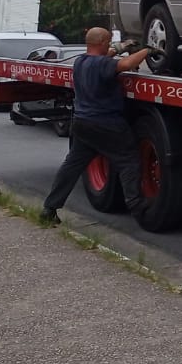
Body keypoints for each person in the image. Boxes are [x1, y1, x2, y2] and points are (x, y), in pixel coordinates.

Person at [39, 28, 154, 226]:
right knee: (128, 162)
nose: (110, 45)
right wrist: (148, 51)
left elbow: (105, 58)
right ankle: (140, 211)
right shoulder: (102, 65)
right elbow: (127, 64)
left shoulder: (80, 62)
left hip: (82, 124)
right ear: (101, 42)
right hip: (106, 124)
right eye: (108, 42)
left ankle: (50, 208)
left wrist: (120, 47)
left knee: (72, 166)